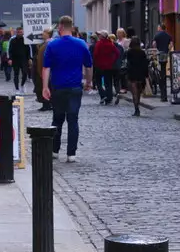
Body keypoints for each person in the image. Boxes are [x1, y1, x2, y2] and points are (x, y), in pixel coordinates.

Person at [42, 15, 92, 161]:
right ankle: (71, 153)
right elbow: (89, 66)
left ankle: (55, 150)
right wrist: (88, 82)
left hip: (58, 87)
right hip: (75, 87)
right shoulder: (81, 44)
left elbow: (46, 68)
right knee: (73, 120)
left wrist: (45, 86)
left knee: (57, 119)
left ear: (61, 27)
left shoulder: (52, 45)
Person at [123, 37, 152, 116]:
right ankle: (137, 105)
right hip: (141, 73)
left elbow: (127, 63)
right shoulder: (142, 52)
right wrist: (146, 74)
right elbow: (145, 64)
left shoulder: (129, 52)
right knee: (139, 92)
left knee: (134, 92)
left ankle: (136, 108)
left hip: (132, 73)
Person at [92, 31, 120, 105]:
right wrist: (112, 60)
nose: (98, 36)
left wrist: (96, 62)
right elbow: (117, 53)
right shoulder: (110, 43)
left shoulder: (99, 43)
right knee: (108, 82)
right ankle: (109, 98)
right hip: (108, 66)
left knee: (98, 81)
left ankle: (103, 95)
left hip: (99, 65)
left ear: (102, 36)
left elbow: (95, 54)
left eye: (100, 35)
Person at [152, 19, 174, 100]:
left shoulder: (157, 35)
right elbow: (171, 45)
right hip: (165, 54)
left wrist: (157, 49)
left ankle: (162, 93)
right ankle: (164, 93)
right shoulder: (168, 35)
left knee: (160, 70)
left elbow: (154, 44)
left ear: (160, 28)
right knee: (164, 69)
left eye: (158, 27)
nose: (158, 29)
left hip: (159, 54)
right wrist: (167, 50)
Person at [35, 30, 53, 112]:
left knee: (46, 86)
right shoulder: (44, 44)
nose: (42, 35)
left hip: (45, 69)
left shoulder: (48, 44)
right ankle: (46, 104)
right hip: (43, 69)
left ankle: (47, 104)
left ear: (48, 34)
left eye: (44, 33)